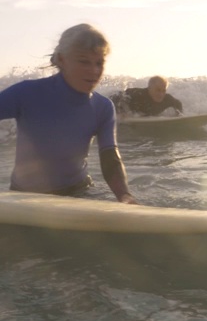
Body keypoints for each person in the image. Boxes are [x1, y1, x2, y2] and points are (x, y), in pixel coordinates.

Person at [0, 23, 137, 204]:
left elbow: (110, 156)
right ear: (62, 59)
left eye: (99, 63)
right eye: (83, 61)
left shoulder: (103, 107)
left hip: (78, 195)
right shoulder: (26, 93)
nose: (94, 71)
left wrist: (124, 195)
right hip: (25, 198)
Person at [111, 76, 183, 116]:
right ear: (149, 88)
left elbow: (178, 104)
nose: (161, 94)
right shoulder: (139, 95)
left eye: (163, 90)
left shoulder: (167, 99)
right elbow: (116, 96)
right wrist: (120, 111)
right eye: (158, 90)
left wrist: (178, 114)